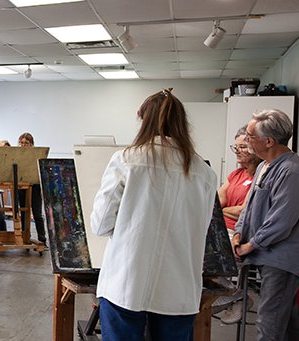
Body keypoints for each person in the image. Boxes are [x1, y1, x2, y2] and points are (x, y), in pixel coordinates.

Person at [91, 89, 217, 340]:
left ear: (143, 119)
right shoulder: (203, 172)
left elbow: (101, 224)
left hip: (127, 281)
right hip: (180, 286)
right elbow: (201, 230)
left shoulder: (127, 159)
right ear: (182, 123)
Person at [232, 109, 299, 341]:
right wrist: (239, 233)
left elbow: (282, 220)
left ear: (269, 141)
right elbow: (249, 208)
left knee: (269, 325)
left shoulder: (291, 171)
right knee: (287, 321)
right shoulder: (264, 166)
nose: (245, 141)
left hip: (282, 260)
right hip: (269, 256)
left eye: (250, 136)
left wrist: (251, 245)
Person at [213, 124, 262, 324]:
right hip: (221, 229)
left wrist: (221, 210)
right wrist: (223, 209)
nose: (237, 152)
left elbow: (244, 210)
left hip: (239, 234)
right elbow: (216, 201)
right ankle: (234, 296)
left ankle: (235, 297)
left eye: (243, 147)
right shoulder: (236, 174)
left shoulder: (260, 174)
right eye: (236, 147)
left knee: (203, 260)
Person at [16, 132, 47, 245]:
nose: (24, 145)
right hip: (22, 186)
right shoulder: (16, 155)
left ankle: (42, 239)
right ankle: (25, 237)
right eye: (22, 143)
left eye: (26, 143)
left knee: (37, 214)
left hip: (35, 186)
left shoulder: (36, 155)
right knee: (24, 213)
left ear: (31, 144)